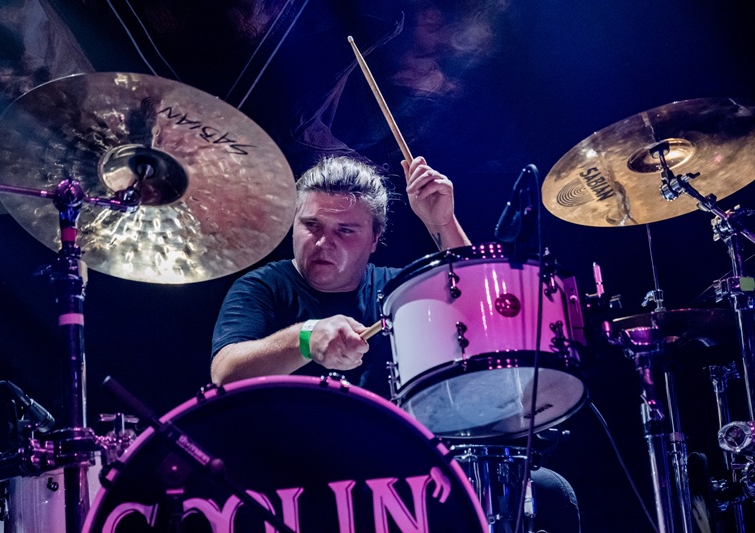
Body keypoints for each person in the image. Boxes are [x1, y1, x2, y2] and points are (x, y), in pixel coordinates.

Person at [211, 154, 580, 532]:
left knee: (548, 492)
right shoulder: (262, 287)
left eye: (345, 230)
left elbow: (488, 324)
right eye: (312, 225)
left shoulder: (400, 292)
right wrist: (304, 337)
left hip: (397, 466)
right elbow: (224, 373)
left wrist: (442, 223)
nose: (323, 241)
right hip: (292, 472)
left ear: (375, 240)